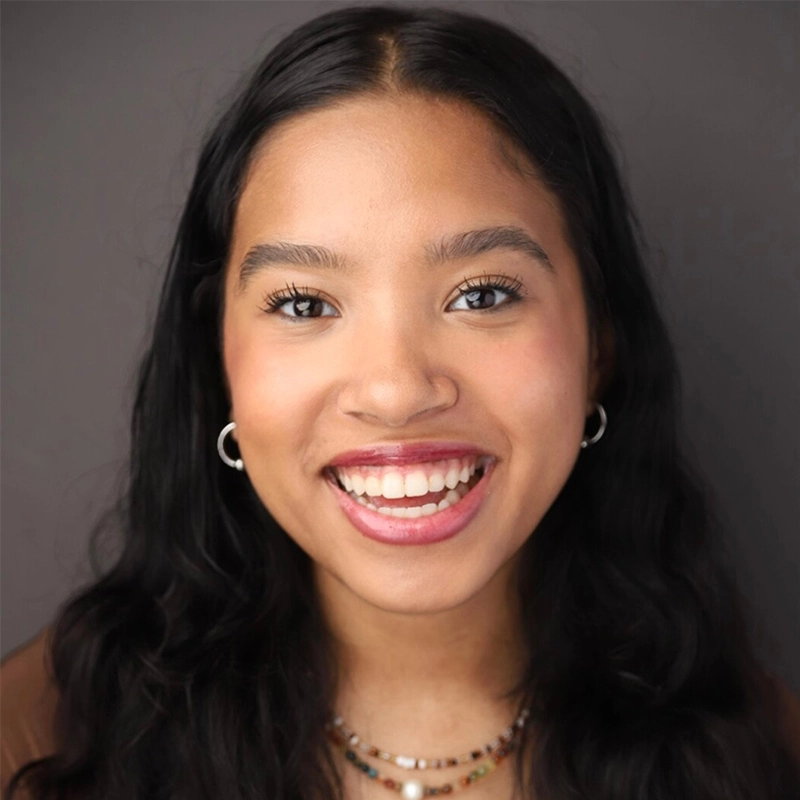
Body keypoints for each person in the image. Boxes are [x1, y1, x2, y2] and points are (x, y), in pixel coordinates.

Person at [2, 5, 799, 799]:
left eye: (482, 294)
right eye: (306, 305)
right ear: (218, 363)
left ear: (599, 347)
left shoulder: (763, 760)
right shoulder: (38, 742)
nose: (395, 390)